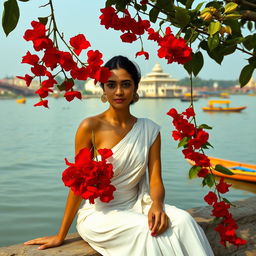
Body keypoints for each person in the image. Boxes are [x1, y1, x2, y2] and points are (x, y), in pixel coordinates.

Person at [24, 56, 214, 256]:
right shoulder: (90, 127)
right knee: (146, 229)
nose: (119, 92)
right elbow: (78, 185)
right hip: (100, 214)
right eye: (111, 85)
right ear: (103, 89)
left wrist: (157, 205)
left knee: (184, 220)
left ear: (135, 88)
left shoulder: (150, 129)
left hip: (138, 204)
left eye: (125, 84)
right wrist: (61, 234)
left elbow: (156, 179)